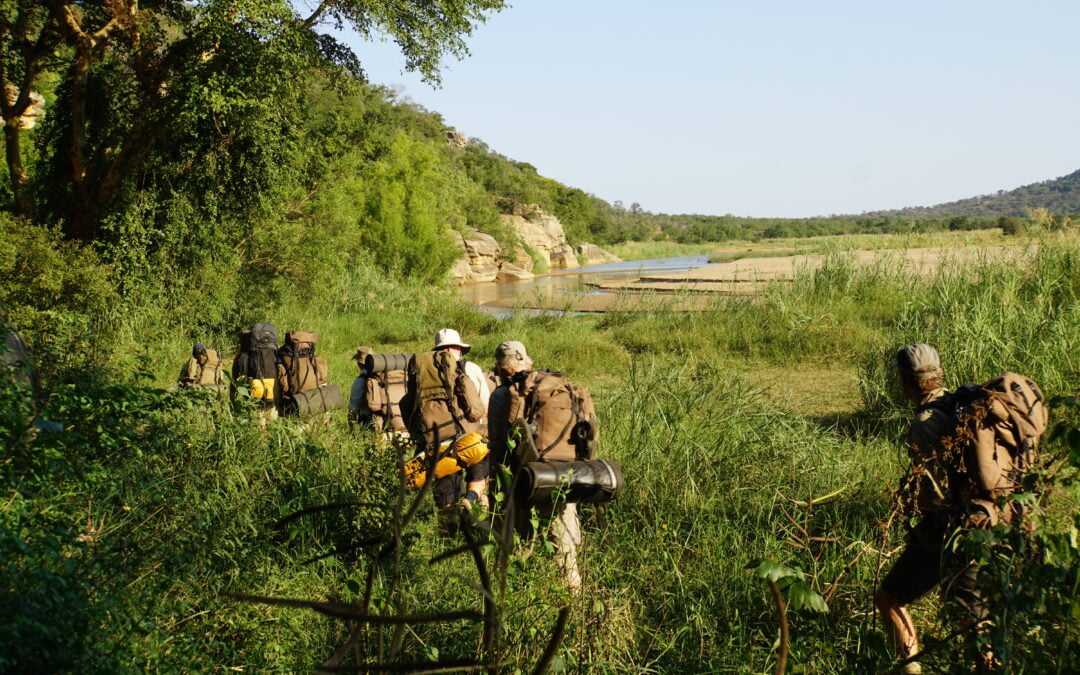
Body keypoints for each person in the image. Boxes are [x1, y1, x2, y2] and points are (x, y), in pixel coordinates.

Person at [875, 344, 990, 674]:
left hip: (951, 530)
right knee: (974, 615)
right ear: (939, 374)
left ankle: (911, 669)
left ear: (905, 383)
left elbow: (938, 494)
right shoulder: (957, 405)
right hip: (987, 521)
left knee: (893, 599)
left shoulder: (926, 420)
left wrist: (909, 501)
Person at [487, 340, 583, 592]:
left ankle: (519, 594)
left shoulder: (502, 394)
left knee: (520, 542)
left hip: (526, 478)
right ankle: (573, 595)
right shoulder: (559, 386)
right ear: (527, 361)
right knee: (564, 544)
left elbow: (498, 445)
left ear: (499, 366)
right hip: (567, 473)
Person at [431, 328, 491, 509]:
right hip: (471, 438)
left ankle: (448, 532)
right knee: (478, 477)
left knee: (446, 493)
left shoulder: (426, 373)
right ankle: (473, 500)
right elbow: (485, 407)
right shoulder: (472, 369)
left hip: (440, 439)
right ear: (459, 348)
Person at [348, 345, 375, 431]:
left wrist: (351, 431)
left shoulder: (360, 382)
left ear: (359, 364)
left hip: (369, 423)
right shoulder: (382, 375)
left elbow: (353, 410)